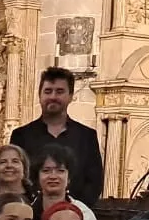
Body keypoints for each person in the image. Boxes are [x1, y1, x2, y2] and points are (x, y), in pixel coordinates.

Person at [9, 67, 104, 206]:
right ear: (39, 95)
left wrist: (74, 209)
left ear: (71, 96)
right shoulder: (21, 135)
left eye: (60, 91)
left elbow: (94, 181)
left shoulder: (86, 136)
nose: (53, 96)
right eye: (48, 91)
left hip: (75, 215)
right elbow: (16, 178)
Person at [27, 145, 102, 220]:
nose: (53, 176)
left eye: (60, 171)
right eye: (46, 171)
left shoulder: (84, 214)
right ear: (37, 177)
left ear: (69, 177)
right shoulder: (27, 212)